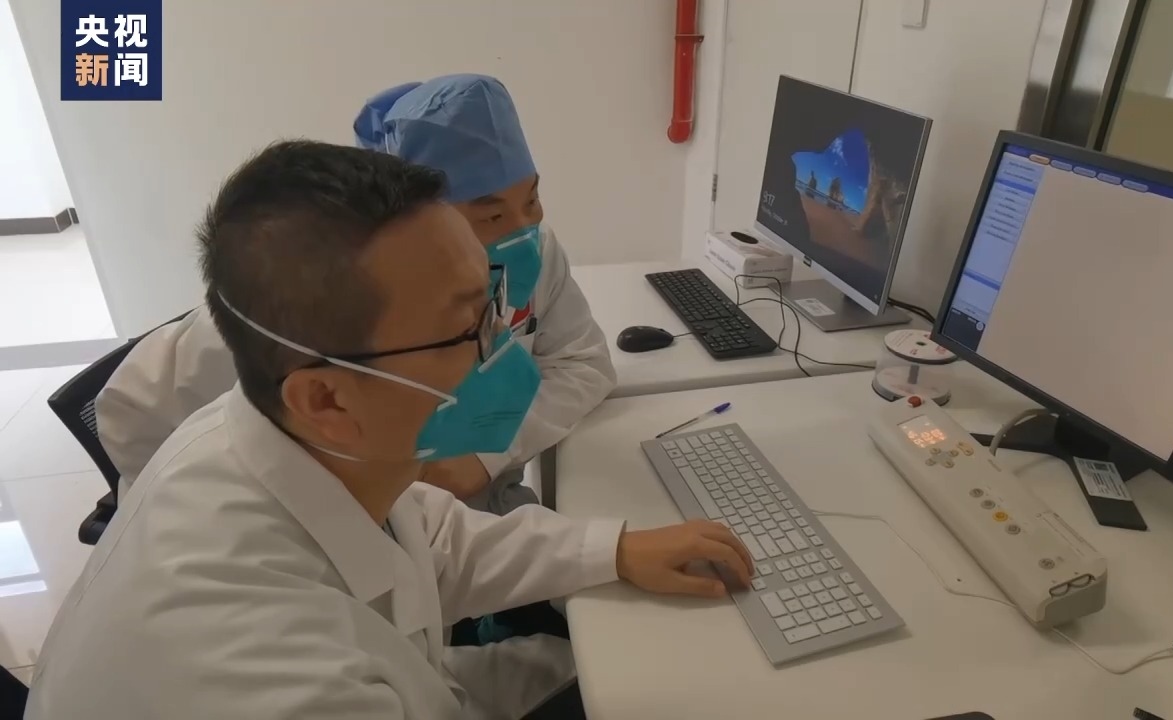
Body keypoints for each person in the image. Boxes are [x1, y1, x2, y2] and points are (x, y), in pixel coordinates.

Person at [26, 141, 751, 719]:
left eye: (493, 306)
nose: (503, 347)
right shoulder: (274, 678)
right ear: (326, 398)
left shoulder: (286, 437)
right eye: (468, 328)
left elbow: (431, 539)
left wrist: (615, 548)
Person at [96, 74, 613, 514]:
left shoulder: (536, 251)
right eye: (491, 215)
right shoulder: (305, 307)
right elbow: (131, 405)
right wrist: (194, 517)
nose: (524, 231)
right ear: (422, 220)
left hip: (462, 513)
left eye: (532, 200)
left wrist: (484, 459)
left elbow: (582, 362)